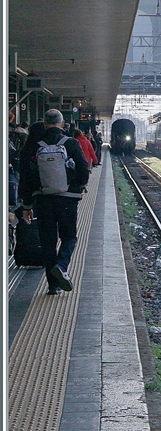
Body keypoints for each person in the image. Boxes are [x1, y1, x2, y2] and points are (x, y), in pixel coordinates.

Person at [19, 109, 90, 293]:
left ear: (44, 124)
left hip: (43, 200)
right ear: (62, 123)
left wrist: (26, 205)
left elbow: (25, 177)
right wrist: (79, 185)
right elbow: (84, 168)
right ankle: (62, 265)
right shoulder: (72, 143)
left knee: (48, 242)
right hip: (67, 199)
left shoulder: (34, 145)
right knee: (69, 237)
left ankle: (53, 286)